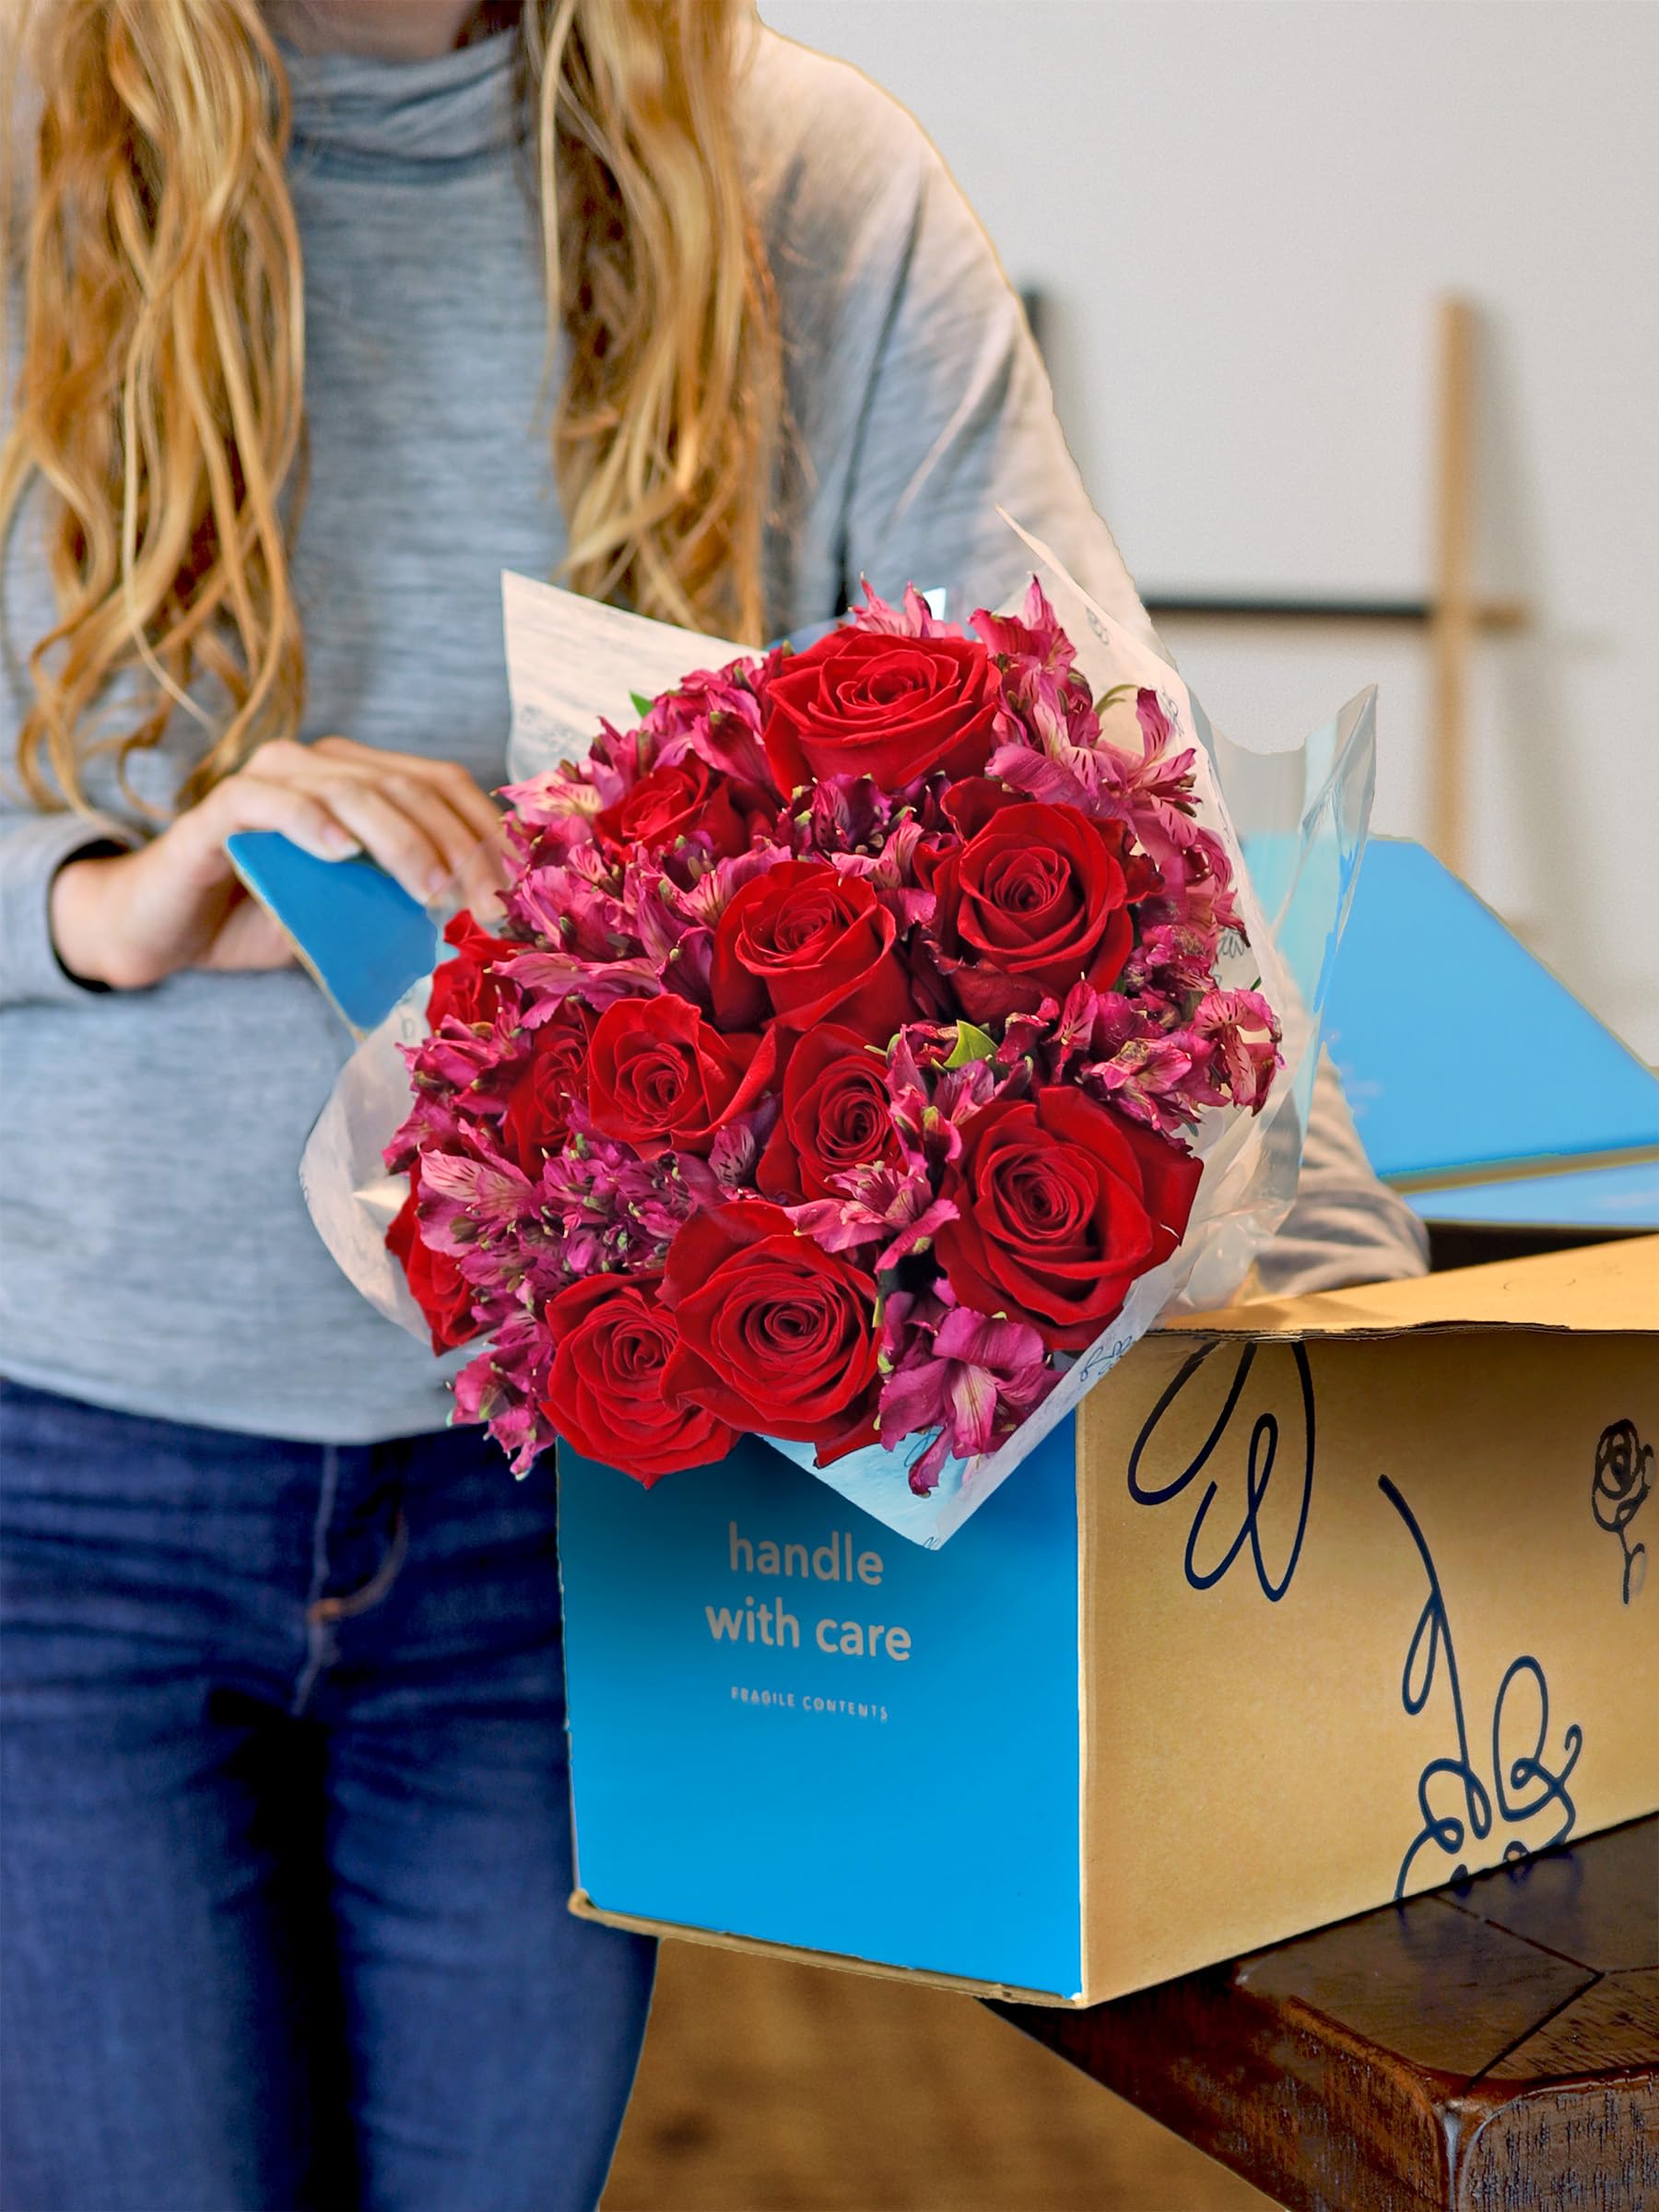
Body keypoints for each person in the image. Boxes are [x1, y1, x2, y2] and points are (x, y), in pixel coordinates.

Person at [0, 3, 1428, 2206]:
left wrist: (1367, 1398)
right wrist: (100, 898)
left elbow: (1131, 826)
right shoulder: (18, 142)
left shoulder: (806, 177)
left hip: (585, 1519)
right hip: (61, 1492)